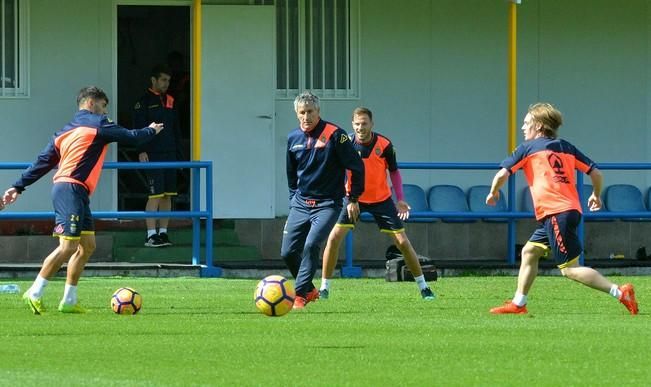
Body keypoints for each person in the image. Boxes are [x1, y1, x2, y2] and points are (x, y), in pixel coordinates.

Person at [2, 86, 163, 314]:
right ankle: (35, 291)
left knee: (87, 246)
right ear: (91, 103)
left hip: (74, 190)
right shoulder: (99, 125)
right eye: (103, 105)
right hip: (70, 189)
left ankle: (69, 301)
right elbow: (132, 137)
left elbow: (42, 162)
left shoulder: (64, 132)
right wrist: (151, 130)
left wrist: (18, 186)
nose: (105, 111)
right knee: (68, 246)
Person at [485, 102, 638, 315]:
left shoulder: (527, 149)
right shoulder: (566, 147)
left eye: (526, 123)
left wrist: (493, 192)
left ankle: (620, 292)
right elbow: (596, 173)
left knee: (570, 270)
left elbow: (502, 174)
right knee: (529, 251)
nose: (522, 127)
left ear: (538, 126)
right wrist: (595, 194)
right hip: (567, 211)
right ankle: (518, 304)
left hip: (556, 213)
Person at [319, 107, 435, 300]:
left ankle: (424, 287)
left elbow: (395, 172)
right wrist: (344, 197)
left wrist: (400, 199)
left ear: (372, 124)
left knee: (403, 242)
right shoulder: (344, 143)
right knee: (333, 238)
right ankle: (324, 288)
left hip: (381, 200)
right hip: (353, 199)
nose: (360, 127)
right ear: (352, 124)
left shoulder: (385, 144)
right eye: (357, 123)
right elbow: (335, 169)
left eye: (364, 123)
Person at [281, 91, 365, 309]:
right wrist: (293, 200)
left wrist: (353, 198)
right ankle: (309, 290)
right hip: (301, 203)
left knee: (311, 245)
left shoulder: (336, 135)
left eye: (310, 112)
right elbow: (291, 174)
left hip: (328, 204)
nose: (306, 116)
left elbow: (356, 166)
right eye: (302, 112)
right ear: (296, 113)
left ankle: (299, 295)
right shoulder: (293, 138)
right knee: (288, 252)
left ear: (318, 112)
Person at [133, 64, 182, 247]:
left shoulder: (170, 99)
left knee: (168, 195)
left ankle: (163, 232)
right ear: (153, 80)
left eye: (168, 80)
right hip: (153, 153)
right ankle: (150, 235)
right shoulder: (143, 101)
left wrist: (179, 154)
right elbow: (138, 128)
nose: (166, 84)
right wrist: (141, 150)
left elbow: (175, 128)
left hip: (170, 154)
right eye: (163, 80)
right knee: (155, 195)